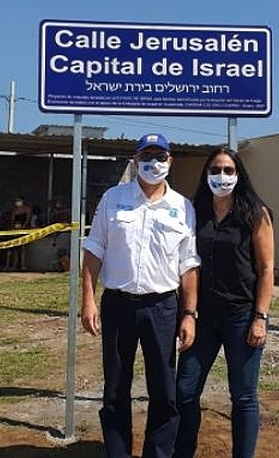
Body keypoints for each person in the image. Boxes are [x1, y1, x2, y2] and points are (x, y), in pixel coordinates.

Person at [81, 133, 200, 458]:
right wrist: (88, 299)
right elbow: (94, 250)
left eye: (160, 156)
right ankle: (118, 452)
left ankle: (157, 453)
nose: (153, 163)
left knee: (163, 390)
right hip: (117, 304)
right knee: (116, 388)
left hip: (162, 308)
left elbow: (188, 266)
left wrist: (188, 314)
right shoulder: (113, 198)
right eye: (146, 156)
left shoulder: (182, 207)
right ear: (135, 161)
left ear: (170, 162)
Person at [174, 148, 274, 458]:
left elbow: (266, 268)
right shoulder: (195, 212)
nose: (222, 176)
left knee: (243, 397)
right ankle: (183, 452)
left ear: (239, 174)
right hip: (202, 318)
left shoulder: (255, 213)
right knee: (185, 391)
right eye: (216, 169)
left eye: (229, 170)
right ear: (206, 175)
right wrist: (186, 313)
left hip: (241, 317)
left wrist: (260, 317)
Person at [5, 197, 32, 271]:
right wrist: (13, 229)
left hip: (23, 230)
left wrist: (23, 228)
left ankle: (23, 265)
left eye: (19, 200)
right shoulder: (14, 210)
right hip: (15, 230)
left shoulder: (27, 209)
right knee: (15, 248)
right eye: (17, 201)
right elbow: (12, 220)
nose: (18, 202)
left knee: (23, 248)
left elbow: (27, 220)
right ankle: (14, 265)